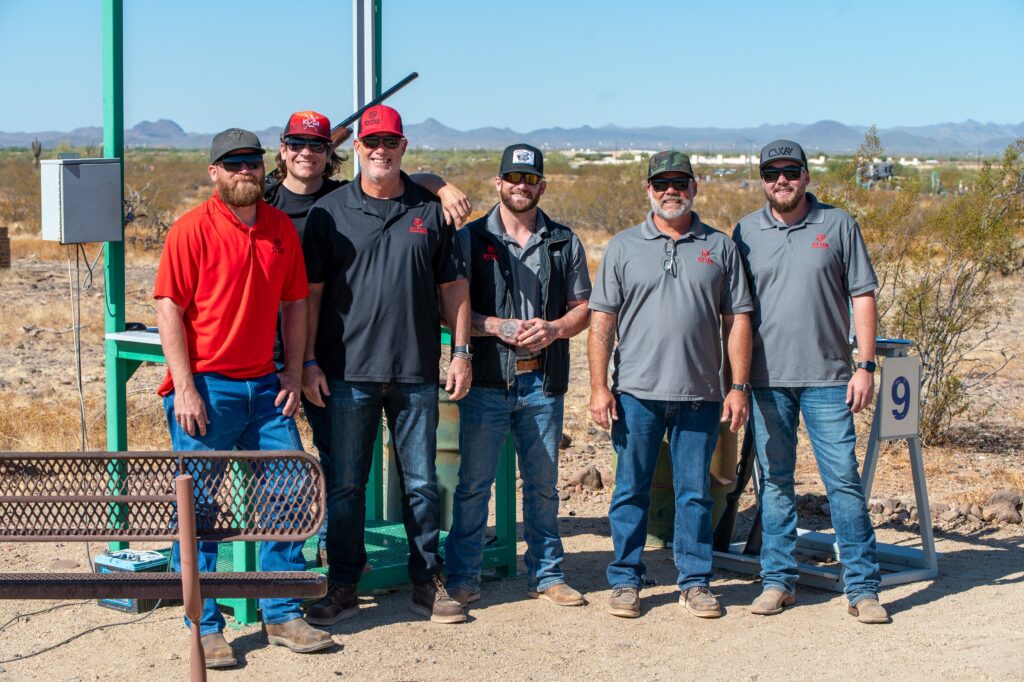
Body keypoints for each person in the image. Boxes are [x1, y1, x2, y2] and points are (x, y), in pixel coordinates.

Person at [154, 128, 333, 668]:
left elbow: (296, 303)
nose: (244, 172)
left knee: (290, 492)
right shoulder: (191, 229)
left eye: (251, 162)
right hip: (207, 388)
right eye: (232, 164)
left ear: (264, 166)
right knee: (201, 509)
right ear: (214, 172)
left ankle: (282, 612)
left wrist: (293, 371)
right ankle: (205, 626)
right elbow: (168, 308)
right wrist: (185, 387)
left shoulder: (280, 229)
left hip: (265, 387)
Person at [264, 109, 473, 565]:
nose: (306, 153)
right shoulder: (270, 204)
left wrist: (439, 185)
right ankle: (307, 576)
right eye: (297, 144)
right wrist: (306, 361)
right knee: (307, 477)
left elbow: (450, 282)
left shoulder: (352, 200)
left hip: (377, 366)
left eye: (316, 145)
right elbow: (309, 294)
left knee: (392, 477)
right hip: (289, 363)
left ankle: (401, 573)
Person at [589, 151, 753, 620]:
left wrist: (737, 386)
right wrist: (599, 387)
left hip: (700, 395)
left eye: (680, 182)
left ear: (694, 187)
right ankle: (625, 578)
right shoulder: (623, 247)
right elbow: (602, 322)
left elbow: (736, 320)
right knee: (630, 490)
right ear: (648, 189)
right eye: (661, 183)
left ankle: (695, 581)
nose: (671, 191)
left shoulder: (719, 247)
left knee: (695, 493)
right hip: (635, 394)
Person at [732, 139, 889, 624]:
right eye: (772, 173)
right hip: (766, 381)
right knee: (774, 483)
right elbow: (735, 312)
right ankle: (778, 582)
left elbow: (862, 294)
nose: (781, 181)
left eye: (790, 172)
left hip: (829, 377)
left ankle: (862, 588)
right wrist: (735, 381)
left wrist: (865, 365)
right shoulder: (745, 232)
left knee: (842, 482)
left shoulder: (838, 224)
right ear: (763, 180)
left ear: (805, 176)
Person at [444, 144, 592, 609]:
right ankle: (463, 576)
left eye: (530, 179)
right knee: (474, 485)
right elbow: (448, 309)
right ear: (499, 183)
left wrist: (555, 330)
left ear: (541, 186)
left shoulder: (563, 241)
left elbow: (584, 308)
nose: (521, 186)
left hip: (542, 383)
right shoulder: (470, 239)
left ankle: (547, 575)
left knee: (543, 486)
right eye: (513, 178)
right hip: (487, 382)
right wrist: (493, 326)